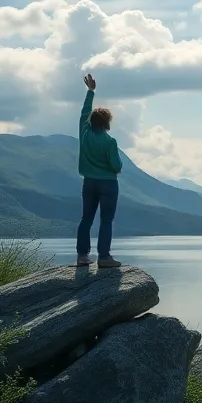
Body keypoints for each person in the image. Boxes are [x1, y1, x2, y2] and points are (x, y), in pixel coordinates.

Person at [76, 74, 123, 268]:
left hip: (89, 182)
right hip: (108, 183)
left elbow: (84, 111)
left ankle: (82, 256)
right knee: (106, 219)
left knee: (86, 218)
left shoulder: (84, 133)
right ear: (106, 123)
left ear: (90, 121)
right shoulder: (110, 142)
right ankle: (104, 257)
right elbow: (117, 166)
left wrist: (90, 91)